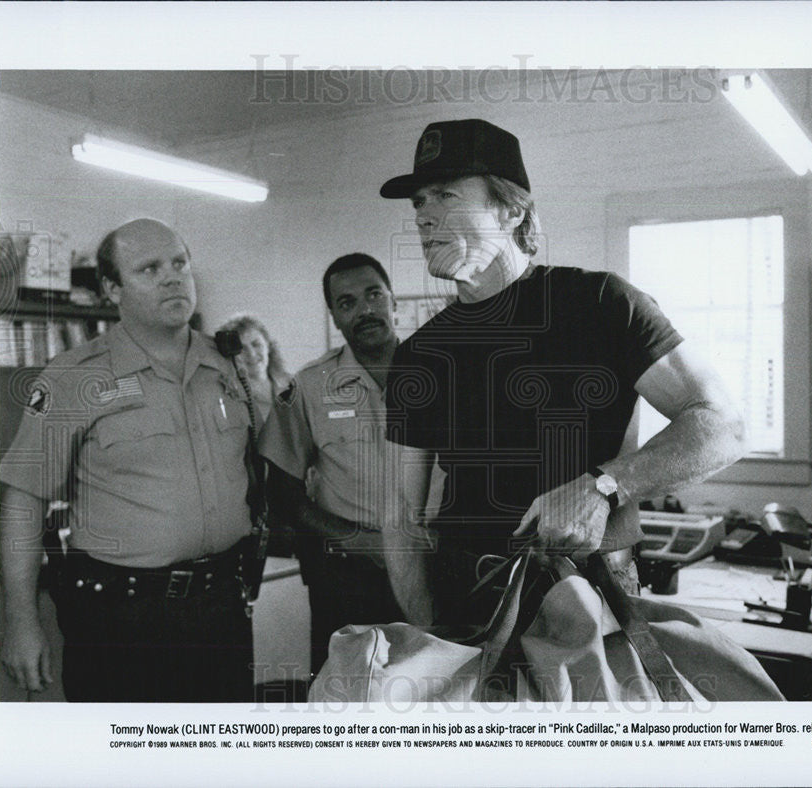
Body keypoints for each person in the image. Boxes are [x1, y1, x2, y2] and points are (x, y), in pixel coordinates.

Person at [379, 119, 747, 625]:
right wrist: (431, 634)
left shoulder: (600, 304)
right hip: (467, 601)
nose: (423, 217)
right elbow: (401, 515)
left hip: (593, 597)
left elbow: (723, 426)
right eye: (418, 202)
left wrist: (602, 487)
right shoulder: (419, 355)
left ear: (511, 210)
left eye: (444, 195)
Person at [0, 218, 256, 702]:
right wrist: (21, 620)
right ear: (113, 289)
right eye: (150, 268)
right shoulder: (72, 378)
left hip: (221, 606)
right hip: (122, 617)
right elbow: (23, 498)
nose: (173, 277)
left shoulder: (227, 366)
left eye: (180, 263)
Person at [259, 253, 405, 676]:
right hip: (349, 577)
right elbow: (282, 494)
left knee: (435, 692)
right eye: (347, 303)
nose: (365, 310)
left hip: (434, 566)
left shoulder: (439, 371)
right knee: (344, 695)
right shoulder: (307, 387)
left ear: (392, 300)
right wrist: (358, 540)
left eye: (374, 294)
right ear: (335, 317)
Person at [217, 313, 291, 424]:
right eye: (242, 349)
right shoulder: (226, 397)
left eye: (256, 344)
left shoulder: (293, 384)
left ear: (268, 346)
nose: (251, 354)